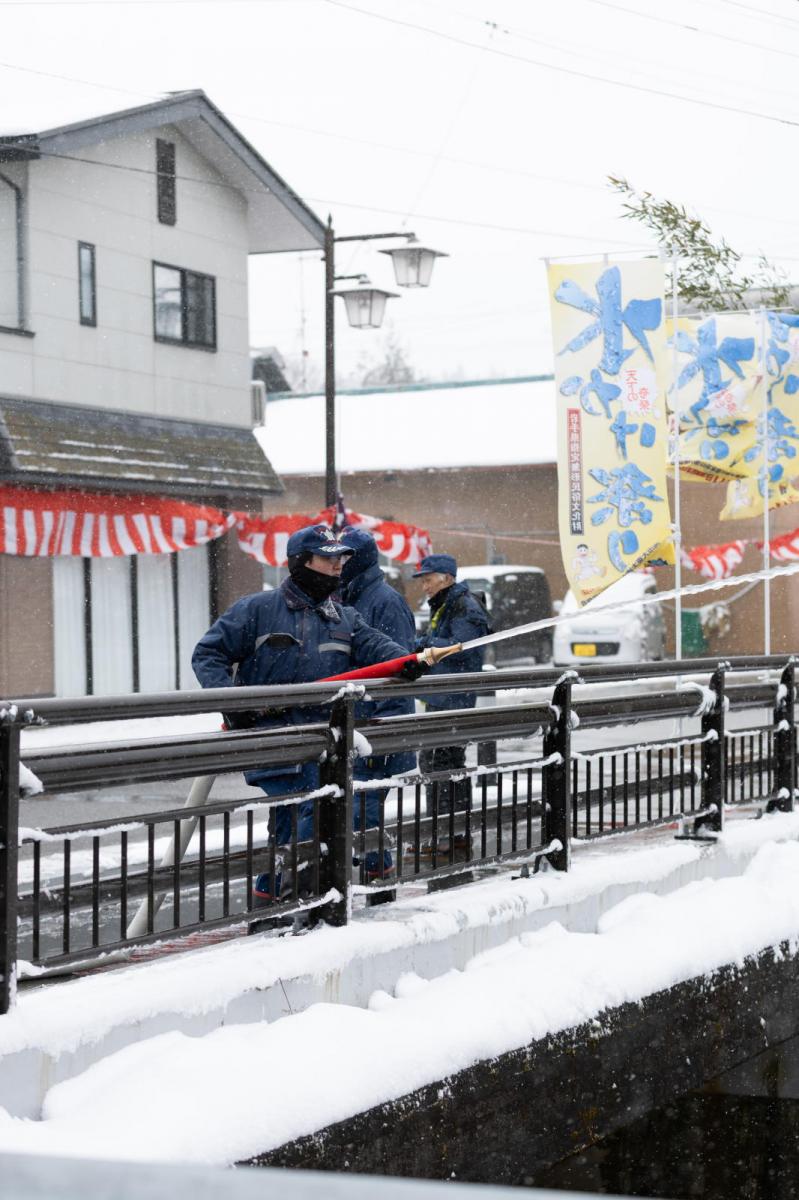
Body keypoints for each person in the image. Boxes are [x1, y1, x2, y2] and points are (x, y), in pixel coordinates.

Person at [191, 523, 419, 899]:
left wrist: (406, 662)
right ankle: (301, 904)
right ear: (302, 562)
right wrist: (234, 702)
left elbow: (381, 649)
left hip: (323, 745)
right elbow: (208, 653)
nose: (338, 566)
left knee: (295, 828)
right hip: (275, 743)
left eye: (342, 558)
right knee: (310, 816)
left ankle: (276, 908)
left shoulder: (343, 618)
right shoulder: (257, 610)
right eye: (328, 558)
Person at [340, 528, 417, 875]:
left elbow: (398, 671)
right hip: (354, 721)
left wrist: (384, 733)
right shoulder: (348, 597)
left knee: (365, 813)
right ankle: (372, 881)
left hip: (372, 726)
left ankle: (378, 885)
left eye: (345, 557)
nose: (338, 563)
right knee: (355, 812)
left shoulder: (384, 602)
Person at [412, 553, 490, 859]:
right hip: (445, 696)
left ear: (447, 578)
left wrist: (423, 645)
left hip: (452, 698)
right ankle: (454, 832)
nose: (425, 587)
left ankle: (443, 835)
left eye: (429, 580)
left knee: (437, 762)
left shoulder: (463, 606)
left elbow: (461, 648)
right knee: (447, 762)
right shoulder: (449, 604)